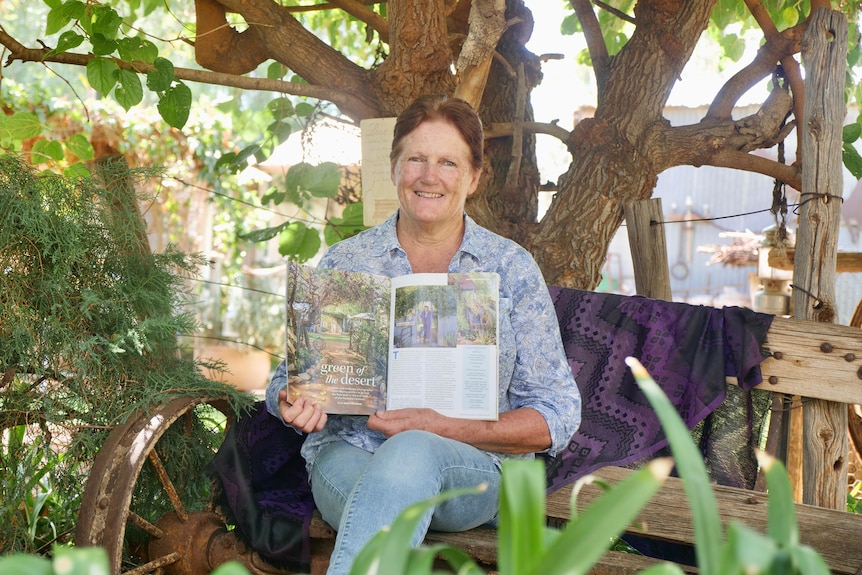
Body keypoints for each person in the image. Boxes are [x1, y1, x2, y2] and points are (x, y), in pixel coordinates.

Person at [266, 94, 581, 575]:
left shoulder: (509, 267)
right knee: (390, 487)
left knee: (412, 450)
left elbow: (556, 415)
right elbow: (284, 382)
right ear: (394, 168)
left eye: (448, 162)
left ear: (473, 177)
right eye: (415, 158)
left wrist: (442, 427)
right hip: (350, 457)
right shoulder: (347, 263)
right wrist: (293, 400)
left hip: (473, 469)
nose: (429, 176)